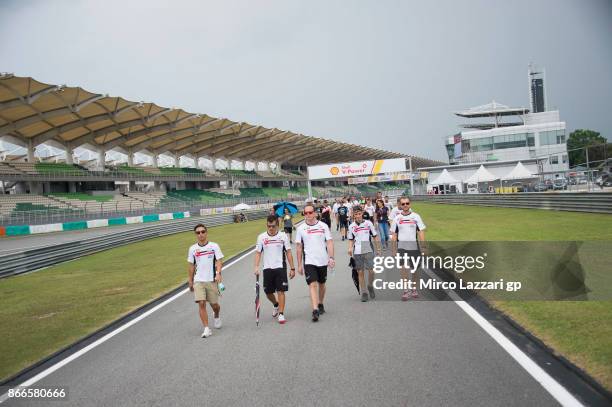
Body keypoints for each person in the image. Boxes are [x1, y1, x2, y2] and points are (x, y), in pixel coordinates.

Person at [295, 203, 335, 322]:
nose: (308, 215)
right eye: (305, 213)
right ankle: (315, 309)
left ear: (315, 213)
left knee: (322, 284)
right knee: (312, 284)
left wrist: (331, 258)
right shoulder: (301, 228)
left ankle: (320, 302)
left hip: (322, 260)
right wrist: (299, 265)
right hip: (309, 261)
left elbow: (329, 242)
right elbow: (298, 247)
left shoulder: (323, 226)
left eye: (310, 212)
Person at [254, 215, 296, 324]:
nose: (271, 228)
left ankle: (281, 314)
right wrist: (256, 266)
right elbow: (258, 253)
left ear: (277, 225)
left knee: (281, 291)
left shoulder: (283, 236)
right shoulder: (261, 237)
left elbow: (288, 252)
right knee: (268, 292)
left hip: (280, 267)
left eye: (273, 226)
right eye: (269, 226)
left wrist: (292, 268)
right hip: (267, 268)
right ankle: (276, 305)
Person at [187, 223, 224, 338]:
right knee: (201, 303)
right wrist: (190, 280)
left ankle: (216, 315)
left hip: (211, 280)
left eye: (203, 232)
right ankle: (206, 328)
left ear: (206, 233)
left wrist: (218, 273)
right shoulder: (193, 249)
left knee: (215, 305)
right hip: (199, 280)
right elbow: (191, 266)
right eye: (198, 233)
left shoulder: (214, 246)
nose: (201, 234)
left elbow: (219, 261)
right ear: (196, 235)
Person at [390, 197, 427, 301]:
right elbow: (394, 235)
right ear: (400, 205)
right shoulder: (397, 218)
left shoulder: (416, 217)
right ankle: (406, 290)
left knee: (414, 270)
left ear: (410, 204)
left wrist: (423, 246)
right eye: (403, 204)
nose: (405, 205)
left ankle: (414, 289)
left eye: (407, 203)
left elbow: (421, 232)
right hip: (401, 247)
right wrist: (393, 250)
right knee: (403, 269)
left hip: (414, 247)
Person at [347, 206, 381, 302]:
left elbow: (375, 236)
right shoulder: (351, 226)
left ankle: (370, 285)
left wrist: (378, 248)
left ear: (362, 213)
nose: (357, 216)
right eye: (356, 214)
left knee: (371, 271)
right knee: (360, 272)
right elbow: (350, 239)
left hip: (367, 246)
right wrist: (349, 248)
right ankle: (364, 292)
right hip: (357, 249)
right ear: (353, 215)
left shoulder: (368, 223)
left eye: (359, 214)